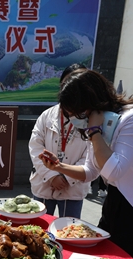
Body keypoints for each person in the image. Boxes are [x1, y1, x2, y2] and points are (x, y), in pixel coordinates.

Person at [39, 69, 133, 259]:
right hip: (116, 199)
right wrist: (59, 167)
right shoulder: (97, 123)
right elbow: (90, 172)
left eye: (78, 113)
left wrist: (94, 132)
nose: (75, 119)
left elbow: (114, 171)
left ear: (94, 102)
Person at [29, 64, 91, 218]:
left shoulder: (90, 118)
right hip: (45, 184)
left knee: (70, 228)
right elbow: (35, 147)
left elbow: (90, 156)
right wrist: (52, 176)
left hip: (73, 189)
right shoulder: (46, 115)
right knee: (39, 226)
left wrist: (67, 177)